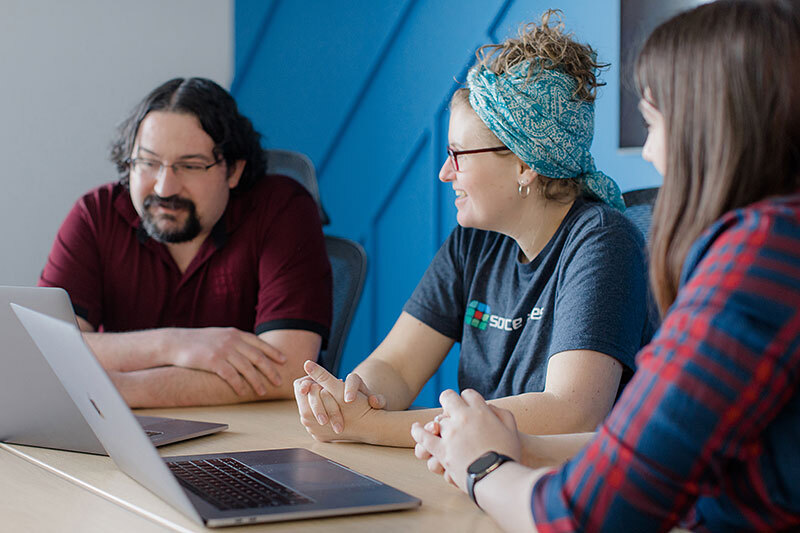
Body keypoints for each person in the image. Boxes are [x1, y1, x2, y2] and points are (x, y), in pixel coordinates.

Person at [411, 1, 800, 531]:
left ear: (709, 130)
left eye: (653, 124)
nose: (649, 153)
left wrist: (483, 464)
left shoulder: (759, 261)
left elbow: (586, 514)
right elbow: (647, 452)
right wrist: (506, 443)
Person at [294, 11, 654, 447]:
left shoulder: (603, 241)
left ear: (524, 164)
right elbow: (396, 367)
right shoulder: (475, 239)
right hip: (482, 475)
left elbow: (571, 411)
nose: (445, 173)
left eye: (459, 154)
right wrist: (351, 400)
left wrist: (374, 428)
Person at [39, 78, 332, 408]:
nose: (164, 188)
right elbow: (46, 346)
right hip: (121, 431)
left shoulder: (282, 207)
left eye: (190, 166)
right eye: (148, 163)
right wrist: (172, 344)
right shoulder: (95, 214)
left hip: (249, 438)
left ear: (233, 170)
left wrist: (122, 389)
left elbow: (289, 367)